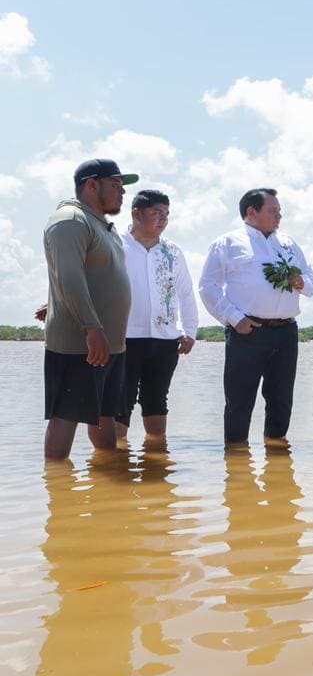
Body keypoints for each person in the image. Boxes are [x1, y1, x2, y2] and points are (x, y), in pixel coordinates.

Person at [198, 188, 313, 445]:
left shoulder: (288, 243)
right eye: (273, 211)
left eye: (280, 211)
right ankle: (237, 460)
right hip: (247, 331)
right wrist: (234, 318)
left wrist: (302, 282)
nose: (279, 216)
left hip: (286, 332)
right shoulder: (227, 243)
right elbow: (208, 287)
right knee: (239, 401)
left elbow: (312, 279)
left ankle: (277, 458)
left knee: (281, 400)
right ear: (251, 212)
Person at [41, 159, 138, 460]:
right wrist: (91, 328)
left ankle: (106, 481)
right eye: (116, 185)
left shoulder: (104, 226)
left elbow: (94, 277)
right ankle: (57, 485)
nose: (122, 192)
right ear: (92, 185)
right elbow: (69, 277)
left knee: (105, 416)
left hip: (111, 345)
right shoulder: (70, 220)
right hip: (79, 345)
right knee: (65, 417)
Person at [114, 189, 199, 443]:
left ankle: (156, 458)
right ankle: (116, 460)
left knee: (156, 400)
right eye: (156, 213)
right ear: (137, 214)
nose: (163, 219)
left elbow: (186, 292)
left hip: (165, 339)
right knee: (120, 402)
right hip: (124, 338)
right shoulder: (115, 244)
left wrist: (190, 331)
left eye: (166, 214)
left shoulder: (172, 251)